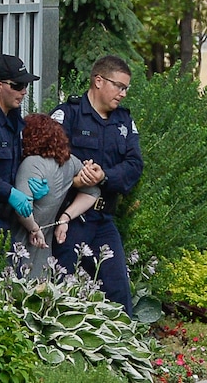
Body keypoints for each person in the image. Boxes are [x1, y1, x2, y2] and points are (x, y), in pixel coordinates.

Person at [50, 55, 143, 315]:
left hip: (104, 219)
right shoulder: (68, 114)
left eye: (126, 88)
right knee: (62, 291)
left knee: (118, 294)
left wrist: (104, 176)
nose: (123, 94)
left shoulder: (123, 121)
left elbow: (135, 165)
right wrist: (75, 180)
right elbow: (45, 163)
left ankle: (126, 350)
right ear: (98, 81)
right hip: (70, 218)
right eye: (119, 86)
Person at [11, 113, 100, 278]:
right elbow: (93, 192)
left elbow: (22, 208)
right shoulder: (69, 161)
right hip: (45, 245)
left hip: (21, 241)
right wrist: (64, 219)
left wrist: (33, 228)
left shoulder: (32, 163)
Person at [0, 54, 49, 250]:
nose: (24, 92)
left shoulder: (13, 117)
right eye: (17, 86)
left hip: (7, 220)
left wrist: (29, 181)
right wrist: (9, 193)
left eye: (26, 86)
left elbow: (13, 162)